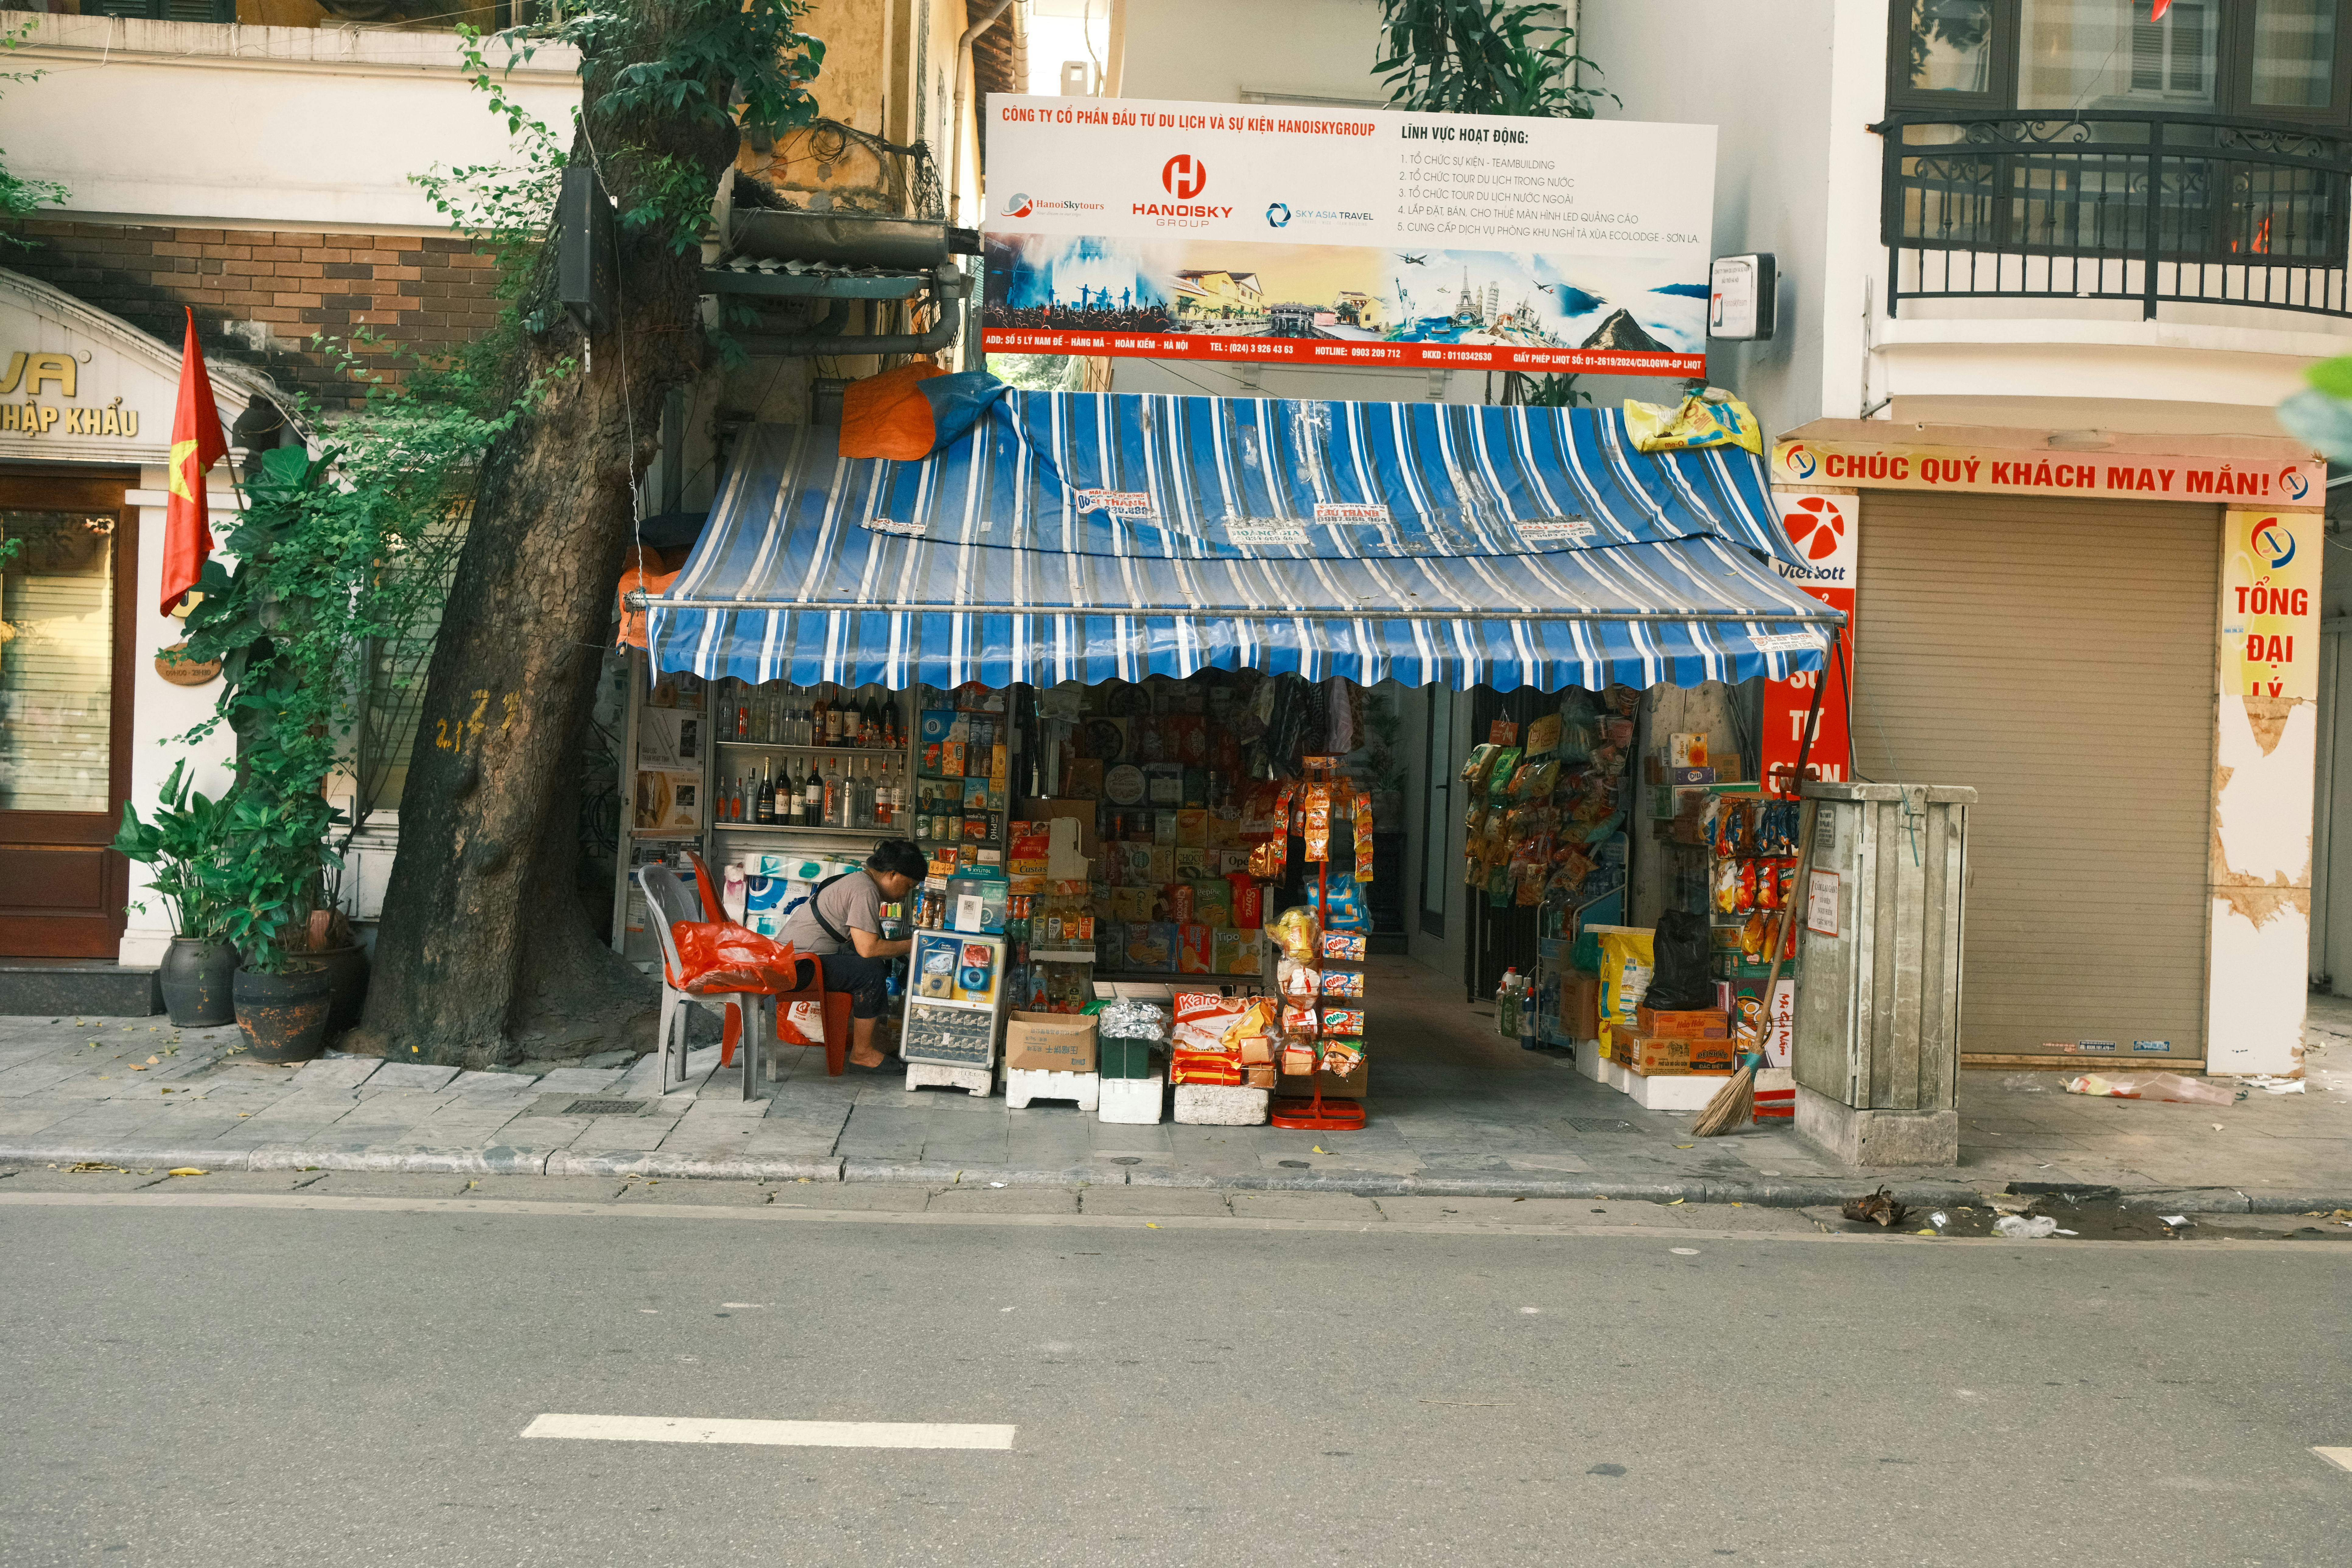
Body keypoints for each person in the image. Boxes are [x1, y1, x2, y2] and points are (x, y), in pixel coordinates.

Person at [779, 838, 925, 1068]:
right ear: (893, 874)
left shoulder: (861, 882)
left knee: (872, 964)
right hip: (797, 966)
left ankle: (875, 1040)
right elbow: (869, 949)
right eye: (908, 886)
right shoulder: (865, 890)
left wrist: (915, 939)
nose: (907, 894)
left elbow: (875, 944)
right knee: (870, 971)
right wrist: (918, 944)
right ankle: (863, 1052)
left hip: (796, 960)